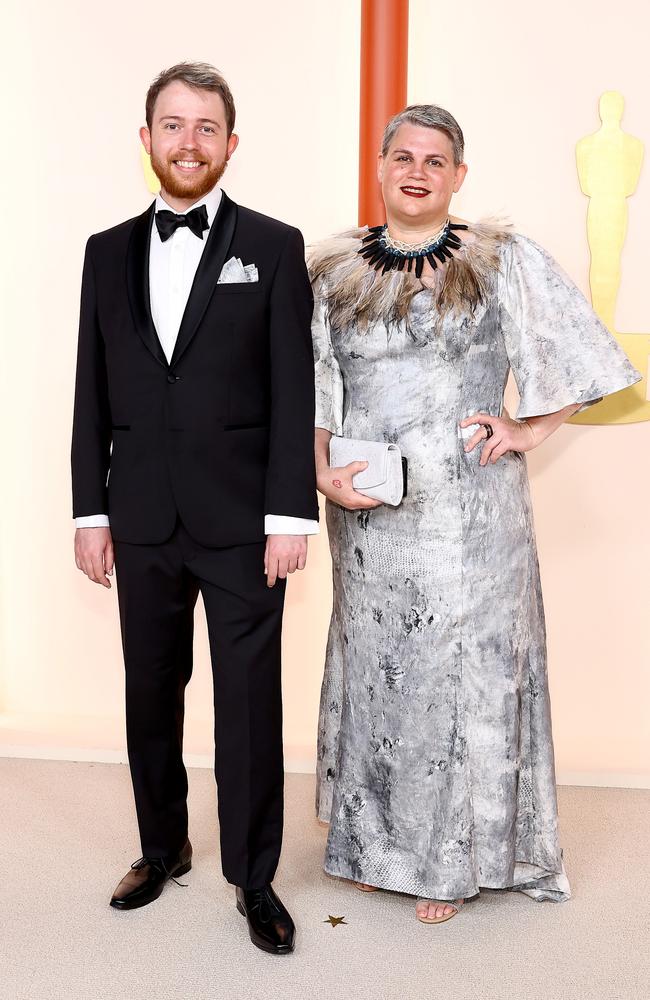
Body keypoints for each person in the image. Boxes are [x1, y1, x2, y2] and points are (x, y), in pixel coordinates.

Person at [309, 105, 640, 924]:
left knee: (461, 681)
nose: (418, 171)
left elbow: (586, 355)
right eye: (403, 156)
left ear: (458, 176)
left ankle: (449, 861)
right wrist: (322, 473)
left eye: (437, 159)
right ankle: (372, 846)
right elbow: (315, 383)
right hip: (369, 513)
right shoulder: (331, 268)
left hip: (473, 516)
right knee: (380, 676)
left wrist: (527, 428)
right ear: (382, 168)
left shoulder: (503, 259)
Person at [71, 62, 319, 955]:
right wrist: (87, 513)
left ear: (230, 143)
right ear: (147, 140)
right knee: (150, 693)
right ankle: (160, 846)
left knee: (248, 701)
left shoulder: (276, 245)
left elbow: (297, 392)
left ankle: (254, 878)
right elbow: (88, 395)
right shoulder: (104, 250)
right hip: (138, 516)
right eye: (171, 126)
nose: (188, 142)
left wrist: (292, 517)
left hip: (247, 521)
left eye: (205, 127)